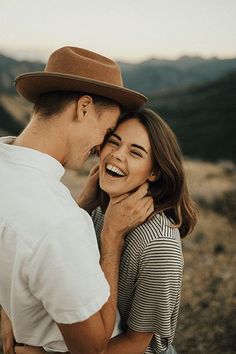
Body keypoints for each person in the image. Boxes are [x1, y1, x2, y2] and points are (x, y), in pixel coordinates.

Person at [3, 108, 197, 354]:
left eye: (135, 152)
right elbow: (53, 262)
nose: (117, 155)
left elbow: (136, 343)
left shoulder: (158, 244)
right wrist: (10, 315)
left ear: (154, 172)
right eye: (113, 142)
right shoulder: (99, 209)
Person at [0, 46, 153, 354]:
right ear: (83, 108)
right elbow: (92, 346)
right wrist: (110, 240)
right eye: (107, 131)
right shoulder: (60, 223)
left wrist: (8, 309)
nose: (101, 149)